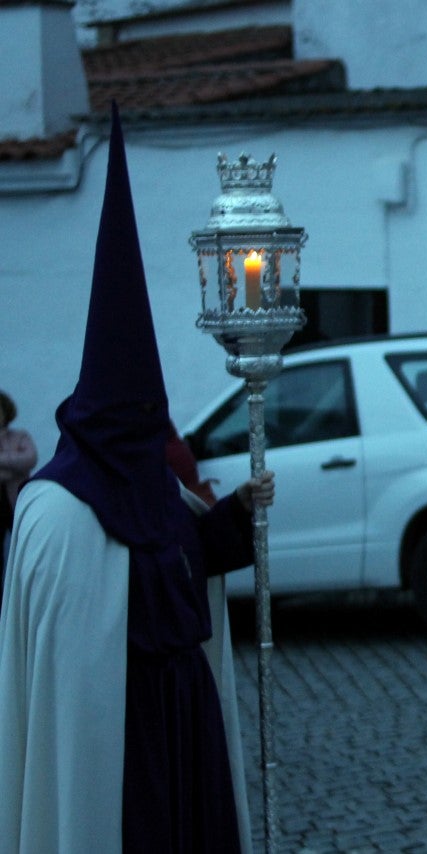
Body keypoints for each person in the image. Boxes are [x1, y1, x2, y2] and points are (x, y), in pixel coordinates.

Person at [0, 105, 274, 853]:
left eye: (152, 412)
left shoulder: (159, 490)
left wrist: (236, 520)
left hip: (187, 713)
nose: (145, 428)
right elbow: (64, 668)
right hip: (112, 738)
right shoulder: (55, 510)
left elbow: (182, 561)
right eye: (131, 413)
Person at [0, 389, 37, 570]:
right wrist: (13, 467)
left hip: (16, 502)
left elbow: (30, 458)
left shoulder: (20, 436)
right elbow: (20, 464)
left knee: (23, 547)